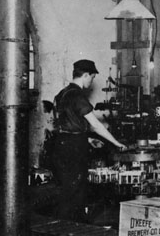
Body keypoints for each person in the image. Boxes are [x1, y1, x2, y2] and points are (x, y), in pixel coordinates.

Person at [52, 59, 126, 221]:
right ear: (85, 75)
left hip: (61, 144)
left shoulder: (62, 94)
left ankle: (63, 233)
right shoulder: (78, 96)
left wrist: (87, 140)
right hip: (74, 148)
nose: (92, 82)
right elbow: (96, 125)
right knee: (76, 193)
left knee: (67, 190)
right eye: (92, 77)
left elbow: (65, 125)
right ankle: (72, 233)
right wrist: (116, 143)